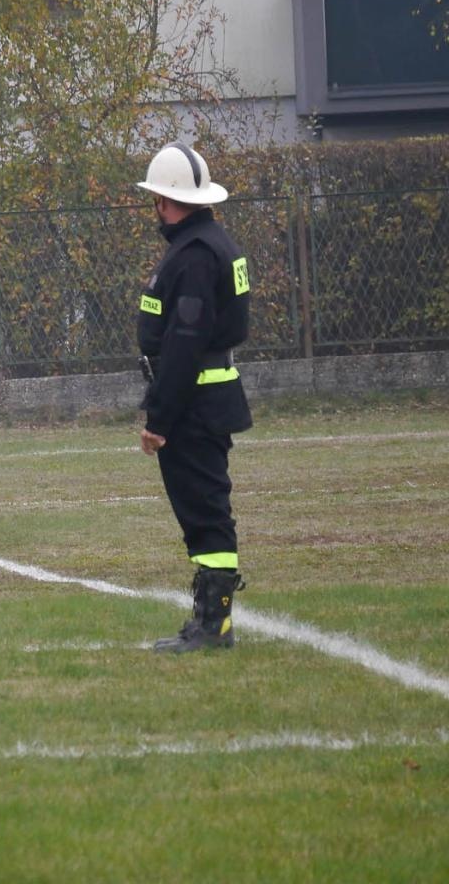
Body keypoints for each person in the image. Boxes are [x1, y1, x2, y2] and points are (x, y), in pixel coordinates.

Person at [135, 142, 253, 652]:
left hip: (194, 404)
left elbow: (184, 343)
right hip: (203, 398)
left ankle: (214, 625)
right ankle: (209, 619)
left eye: (156, 199)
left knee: (205, 510)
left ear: (165, 199)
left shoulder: (195, 256)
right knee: (202, 508)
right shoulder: (208, 244)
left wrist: (159, 417)